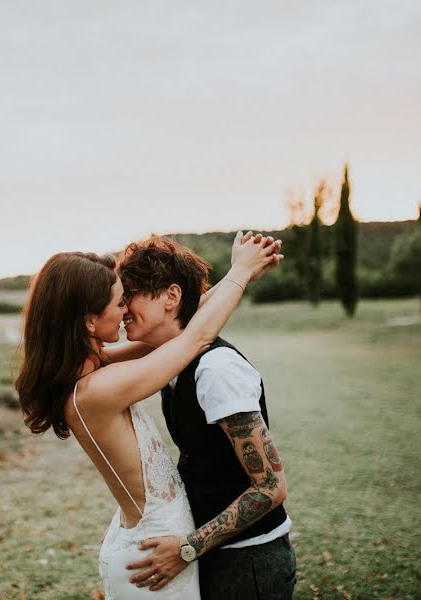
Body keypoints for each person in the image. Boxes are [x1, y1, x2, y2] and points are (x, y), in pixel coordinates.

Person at [15, 232, 283, 599]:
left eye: (128, 299)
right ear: (90, 321)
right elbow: (194, 338)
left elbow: (183, 322)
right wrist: (239, 271)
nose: (124, 309)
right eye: (118, 301)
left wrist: (240, 274)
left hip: (155, 542)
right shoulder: (97, 389)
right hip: (155, 554)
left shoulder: (91, 372)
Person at [118, 236, 296, 600]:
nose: (121, 308)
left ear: (171, 297)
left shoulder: (216, 370)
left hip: (249, 564)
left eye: (130, 294)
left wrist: (187, 548)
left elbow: (270, 488)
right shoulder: (171, 359)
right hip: (217, 556)